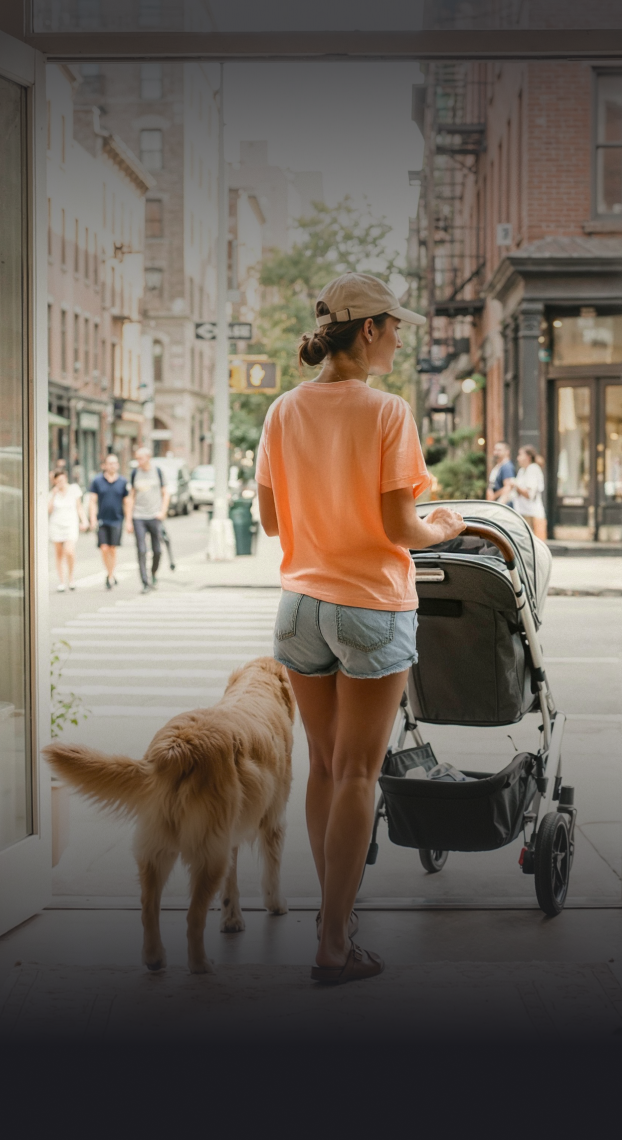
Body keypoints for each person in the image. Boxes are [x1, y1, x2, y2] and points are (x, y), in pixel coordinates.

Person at [256, 272, 465, 984]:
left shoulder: (282, 410)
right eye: (395, 325)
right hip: (371, 606)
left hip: (298, 608)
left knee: (323, 767)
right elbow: (400, 526)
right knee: (357, 773)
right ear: (368, 329)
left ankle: (331, 917)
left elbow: (270, 521)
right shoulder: (388, 412)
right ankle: (335, 943)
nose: (402, 337)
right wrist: (446, 526)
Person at [126, 446, 170, 594]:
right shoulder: (135, 473)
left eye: (140, 458)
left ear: (148, 457)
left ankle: (154, 574)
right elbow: (131, 497)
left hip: (154, 516)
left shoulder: (157, 472)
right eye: (137, 458)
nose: (138, 461)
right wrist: (128, 519)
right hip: (138, 516)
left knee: (157, 550)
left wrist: (163, 511)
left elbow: (166, 493)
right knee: (141, 550)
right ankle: (145, 583)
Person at [89, 453, 130, 590]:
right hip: (102, 519)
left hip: (117, 519)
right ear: (105, 465)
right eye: (110, 463)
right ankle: (110, 573)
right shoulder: (97, 481)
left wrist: (129, 520)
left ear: (117, 465)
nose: (112, 466)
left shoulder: (123, 482)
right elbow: (92, 501)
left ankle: (110, 574)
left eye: (114, 463)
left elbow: (127, 502)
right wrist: (92, 518)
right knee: (104, 548)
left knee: (112, 548)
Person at [48, 469, 88, 591]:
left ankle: (71, 577)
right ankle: (61, 581)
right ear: (54, 482)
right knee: (59, 554)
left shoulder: (74, 489)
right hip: (56, 525)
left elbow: (79, 507)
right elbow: (48, 511)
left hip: (70, 524)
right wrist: (54, 494)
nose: (60, 482)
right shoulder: (52, 493)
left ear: (65, 478)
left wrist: (84, 521)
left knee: (69, 551)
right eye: (57, 481)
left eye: (62, 480)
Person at [510, 445, 547, 540]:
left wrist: (515, 485)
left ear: (528, 457)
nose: (518, 458)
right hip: (523, 513)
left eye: (520, 455)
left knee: (536, 546)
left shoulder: (533, 469)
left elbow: (529, 494)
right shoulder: (522, 471)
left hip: (532, 515)